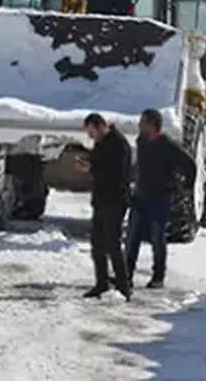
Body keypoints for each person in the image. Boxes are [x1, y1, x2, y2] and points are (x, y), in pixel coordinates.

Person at [124, 107, 197, 289]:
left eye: (143, 122)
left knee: (157, 238)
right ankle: (126, 275)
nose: (139, 125)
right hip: (140, 197)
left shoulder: (167, 145)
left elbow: (190, 165)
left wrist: (184, 188)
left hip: (160, 198)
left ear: (152, 124)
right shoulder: (141, 142)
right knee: (132, 237)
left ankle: (158, 277)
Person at [76, 113, 132, 300]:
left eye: (92, 132)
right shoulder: (101, 143)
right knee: (97, 244)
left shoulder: (119, 144)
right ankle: (102, 283)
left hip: (115, 200)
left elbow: (115, 173)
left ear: (100, 127)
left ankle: (124, 286)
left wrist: (91, 168)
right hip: (101, 200)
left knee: (113, 244)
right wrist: (89, 161)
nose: (91, 137)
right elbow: (100, 163)